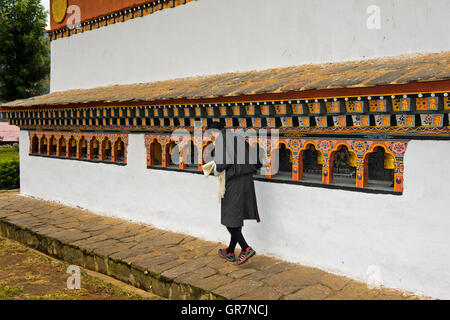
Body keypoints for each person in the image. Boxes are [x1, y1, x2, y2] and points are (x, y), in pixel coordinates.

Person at [207, 121, 262, 265]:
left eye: (211, 133)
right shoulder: (238, 138)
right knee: (235, 217)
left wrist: (214, 169)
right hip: (246, 181)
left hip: (234, 183)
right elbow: (256, 161)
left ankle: (245, 248)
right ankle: (230, 250)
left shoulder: (221, 141)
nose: (212, 136)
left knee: (230, 218)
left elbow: (223, 163)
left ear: (215, 131)